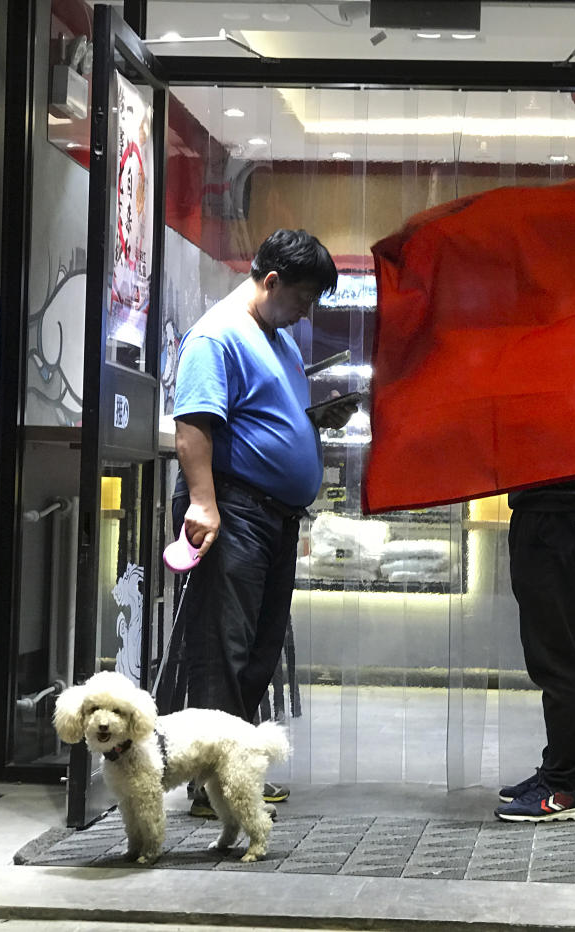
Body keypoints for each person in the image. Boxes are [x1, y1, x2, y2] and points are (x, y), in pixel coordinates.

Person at [172, 228, 358, 817]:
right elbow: (194, 426)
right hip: (235, 508)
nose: (306, 313)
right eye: (303, 299)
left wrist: (317, 421)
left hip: (274, 516)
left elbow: (266, 418)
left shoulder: (274, 337)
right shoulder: (217, 335)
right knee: (223, 644)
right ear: (271, 281)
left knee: (258, 645)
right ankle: (213, 785)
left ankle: (234, 772)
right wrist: (203, 502)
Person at [494, 474, 575, 822]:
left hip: (555, 517)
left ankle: (562, 789)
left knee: (557, 659)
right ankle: (557, 774)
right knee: (564, 654)